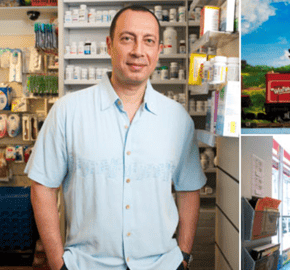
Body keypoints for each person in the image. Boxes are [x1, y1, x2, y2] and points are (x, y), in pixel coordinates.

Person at [25, 5, 206, 270]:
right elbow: (42, 186)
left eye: (149, 41)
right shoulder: (67, 111)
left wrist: (184, 257)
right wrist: (56, 261)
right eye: (127, 38)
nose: (138, 51)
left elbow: (189, 190)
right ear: (109, 45)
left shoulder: (177, 119)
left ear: (159, 50)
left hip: (162, 265)